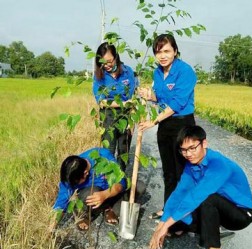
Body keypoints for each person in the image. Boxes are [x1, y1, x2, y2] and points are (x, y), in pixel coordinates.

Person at [149, 126, 252, 249]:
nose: (188, 154)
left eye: (193, 148)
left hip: (240, 214)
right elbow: (179, 193)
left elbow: (196, 196)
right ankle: (211, 229)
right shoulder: (191, 165)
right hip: (217, 208)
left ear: (204, 144)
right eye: (184, 150)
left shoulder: (219, 164)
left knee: (206, 199)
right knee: (176, 220)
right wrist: (162, 224)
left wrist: (166, 225)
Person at [138, 33, 197, 219]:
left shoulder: (185, 71)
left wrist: (153, 121)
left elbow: (177, 104)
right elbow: (161, 99)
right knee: (168, 172)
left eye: (166, 51)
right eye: (158, 52)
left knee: (182, 172)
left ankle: (184, 215)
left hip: (182, 124)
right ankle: (168, 209)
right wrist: (149, 95)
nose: (162, 55)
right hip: (165, 125)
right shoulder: (157, 72)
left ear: (175, 51)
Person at [50, 147, 128, 231]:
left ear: (85, 173)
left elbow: (121, 183)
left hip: (110, 193)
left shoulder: (103, 155)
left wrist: (105, 195)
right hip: (92, 195)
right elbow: (61, 203)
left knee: (139, 187)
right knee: (93, 191)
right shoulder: (71, 175)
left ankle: (108, 209)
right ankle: (86, 214)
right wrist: (51, 228)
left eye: (77, 183)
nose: (73, 185)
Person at [93, 42, 136, 172]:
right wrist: (123, 103)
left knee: (124, 151)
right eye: (103, 62)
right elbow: (101, 102)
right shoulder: (99, 76)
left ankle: (120, 182)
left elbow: (133, 97)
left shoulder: (128, 72)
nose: (106, 65)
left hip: (125, 115)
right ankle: (108, 183)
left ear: (116, 57)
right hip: (108, 115)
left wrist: (132, 119)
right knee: (108, 151)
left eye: (109, 61)